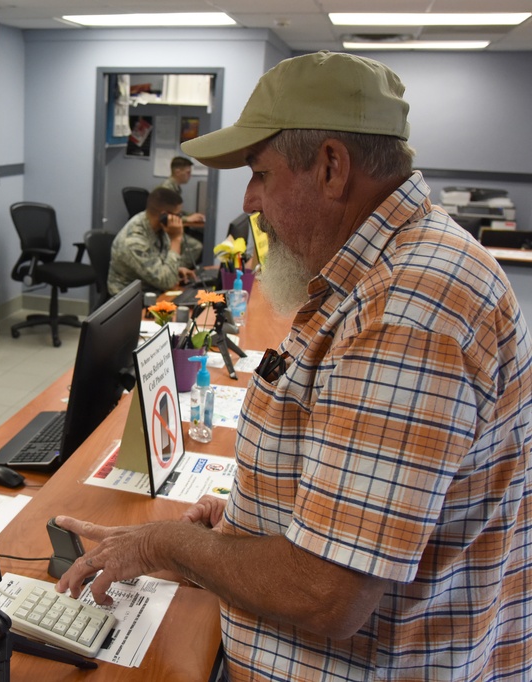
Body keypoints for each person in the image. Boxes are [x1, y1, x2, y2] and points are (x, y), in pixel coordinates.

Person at [58, 51, 532, 680]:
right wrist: (247, 526)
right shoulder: (383, 271)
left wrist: (162, 542)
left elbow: (325, 594)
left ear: (331, 167)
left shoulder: (408, 309)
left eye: (261, 172)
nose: (250, 199)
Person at [107, 186, 203, 296]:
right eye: (178, 215)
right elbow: (167, 282)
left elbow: (157, 261)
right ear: (164, 215)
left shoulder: (157, 226)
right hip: (131, 300)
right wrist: (176, 239)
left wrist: (176, 269)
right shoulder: (134, 240)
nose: (180, 219)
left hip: (152, 288)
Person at [156, 155, 205, 227]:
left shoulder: (175, 187)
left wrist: (190, 215)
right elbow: (163, 217)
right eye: (188, 172)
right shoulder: (166, 189)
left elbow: (173, 211)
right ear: (177, 172)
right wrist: (187, 219)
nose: (190, 175)